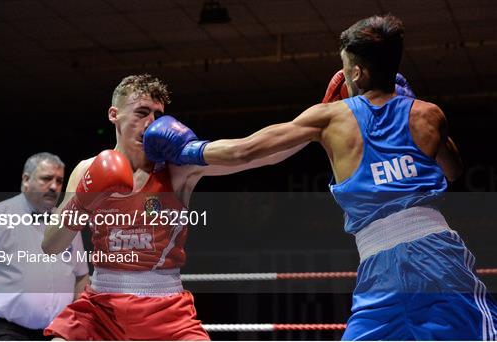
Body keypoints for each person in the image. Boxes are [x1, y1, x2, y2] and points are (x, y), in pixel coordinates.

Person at [143, 14, 497, 340]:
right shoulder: (428, 115)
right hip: (430, 255)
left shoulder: (330, 118)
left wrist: (186, 150)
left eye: (345, 69)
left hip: (385, 263)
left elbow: (247, 150)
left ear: (357, 73)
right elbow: (453, 170)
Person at [40, 74, 311, 340]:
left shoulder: (178, 168)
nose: (150, 124)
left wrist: (315, 128)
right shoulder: (87, 170)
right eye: (142, 112)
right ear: (114, 114)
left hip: (166, 309)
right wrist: (82, 202)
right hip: (101, 308)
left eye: (157, 116)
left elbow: (254, 154)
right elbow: (51, 245)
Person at [0, 152, 89, 340]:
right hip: (8, 330)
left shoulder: (67, 221)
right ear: (26, 180)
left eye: (59, 181)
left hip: (59, 329)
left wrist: (79, 316)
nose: (54, 186)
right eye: (46, 179)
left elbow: (81, 274)